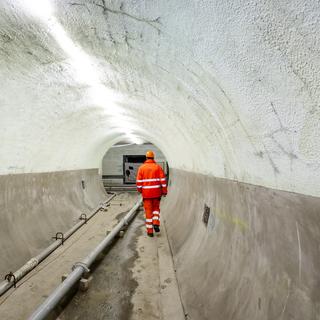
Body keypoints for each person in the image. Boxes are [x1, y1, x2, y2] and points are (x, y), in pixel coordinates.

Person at [136, 150, 167, 237]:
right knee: (156, 209)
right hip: (157, 194)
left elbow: (138, 182)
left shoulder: (141, 168)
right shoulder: (158, 167)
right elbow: (163, 181)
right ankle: (156, 223)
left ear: (146, 158)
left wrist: (140, 190)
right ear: (153, 158)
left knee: (148, 212)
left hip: (146, 195)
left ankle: (150, 232)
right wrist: (164, 191)